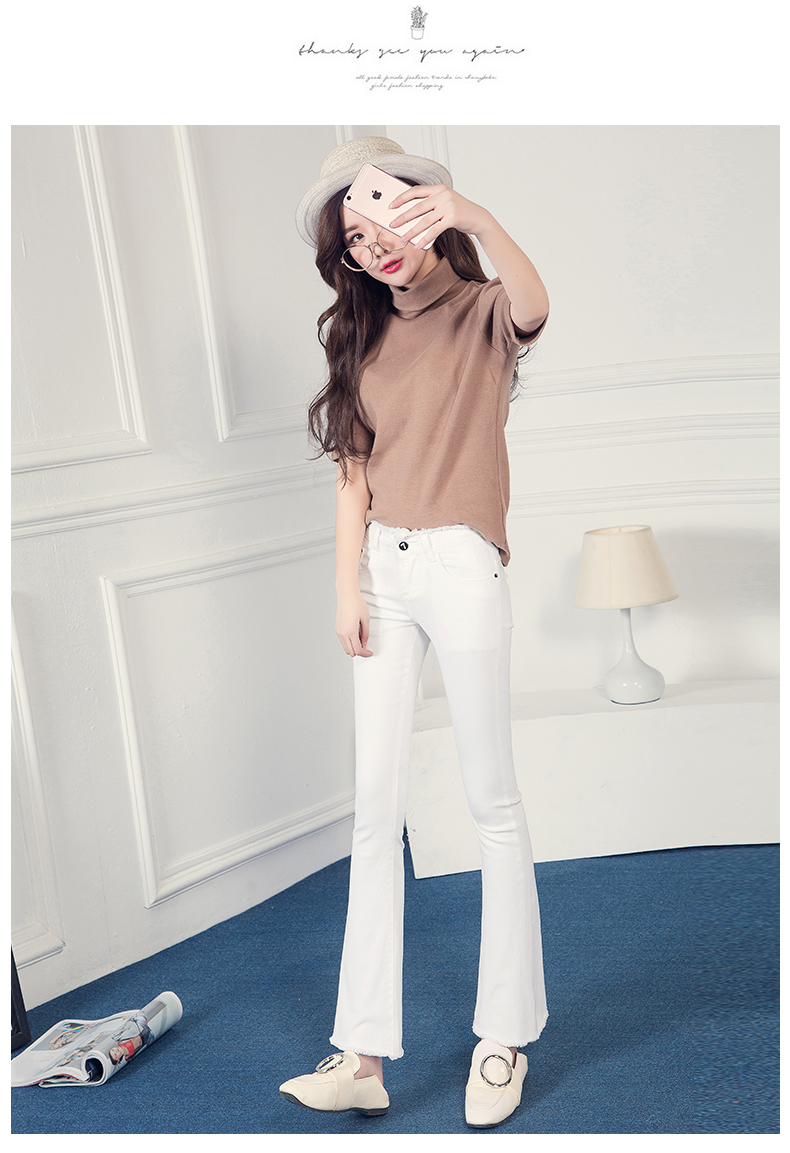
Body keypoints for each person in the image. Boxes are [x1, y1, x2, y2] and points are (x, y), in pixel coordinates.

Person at [280, 136, 550, 1129]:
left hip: (464, 564)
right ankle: (362, 1056)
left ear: (422, 210)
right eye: (353, 238)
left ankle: (503, 1036)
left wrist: (472, 213)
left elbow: (537, 303)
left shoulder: (483, 312)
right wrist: (344, 587)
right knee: (373, 810)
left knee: (491, 801)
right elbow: (353, 472)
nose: (372, 246)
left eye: (382, 219)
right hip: (384, 577)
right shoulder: (360, 337)